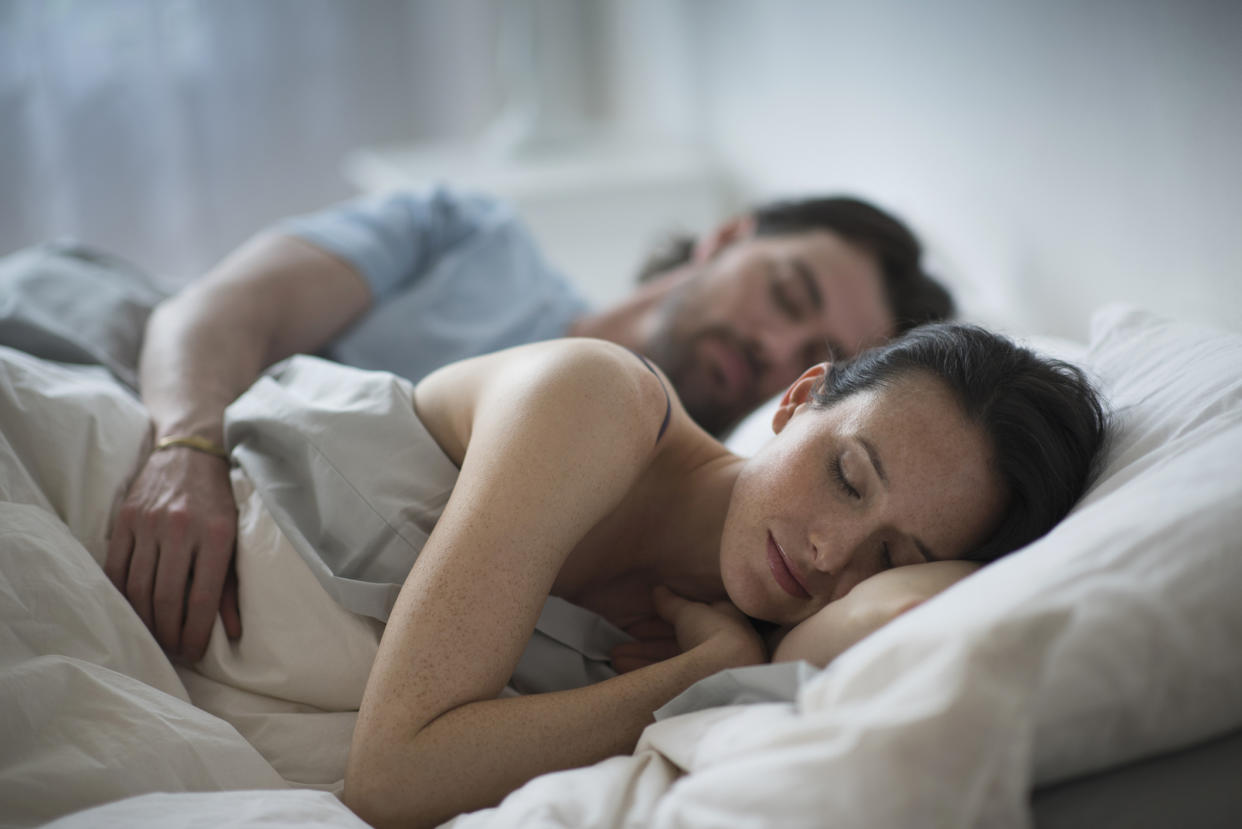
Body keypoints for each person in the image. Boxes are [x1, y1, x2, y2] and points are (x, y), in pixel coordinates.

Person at [296, 322, 1104, 828]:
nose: (832, 553)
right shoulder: (598, 401)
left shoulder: (770, 622)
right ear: (796, 401)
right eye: (848, 478)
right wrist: (701, 676)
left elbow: (909, 618)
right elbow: (392, 780)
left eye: (891, 555)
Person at [109, 186, 955, 662]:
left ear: (812, 398)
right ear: (727, 237)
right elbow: (216, 308)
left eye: (814, 349)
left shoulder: (677, 546)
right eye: (785, 292)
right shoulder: (472, 238)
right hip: (142, 378)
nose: (771, 345)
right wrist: (186, 446)